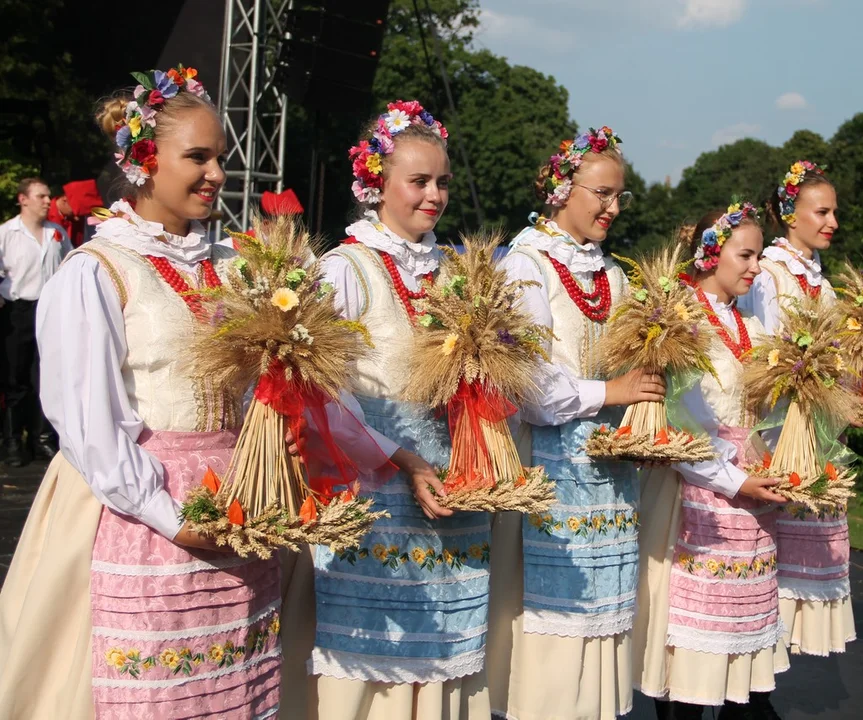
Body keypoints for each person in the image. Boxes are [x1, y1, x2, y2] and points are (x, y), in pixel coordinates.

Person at [0, 65, 395, 719]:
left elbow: (287, 390)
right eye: (198, 157)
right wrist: (168, 515)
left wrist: (376, 452)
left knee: (238, 688)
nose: (215, 173)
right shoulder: (97, 272)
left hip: (238, 507)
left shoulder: (233, 266)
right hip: (139, 512)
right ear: (142, 161)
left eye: (220, 157)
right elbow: (90, 424)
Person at [300, 100, 493, 719]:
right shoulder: (345, 268)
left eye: (442, 181)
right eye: (419, 181)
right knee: (374, 666)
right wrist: (400, 456)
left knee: (442, 658)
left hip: (452, 487)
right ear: (375, 182)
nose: (434, 194)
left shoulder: (462, 272)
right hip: (375, 488)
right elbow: (320, 394)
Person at [486, 127, 664, 720]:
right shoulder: (525, 265)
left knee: (602, 614)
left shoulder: (611, 275)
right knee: (549, 617)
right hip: (545, 467)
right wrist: (611, 391)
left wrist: (640, 412)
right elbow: (528, 384)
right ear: (562, 189)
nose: (613, 208)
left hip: (608, 476)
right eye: (603, 194)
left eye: (620, 197)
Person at [636, 204, 787, 720]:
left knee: (736, 641)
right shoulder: (680, 322)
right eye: (745, 254)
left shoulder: (748, 324)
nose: (755, 267)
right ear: (709, 253)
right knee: (689, 644)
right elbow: (680, 417)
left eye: (759, 256)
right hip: (695, 487)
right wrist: (733, 475)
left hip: (746, 495)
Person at [738, 161, 856, 658]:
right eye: (822, 211)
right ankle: (755, 684)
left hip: (815, 430)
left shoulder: (820, 283)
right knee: (769, 562)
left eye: (833, 212)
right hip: (776, 432)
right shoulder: (768, 275)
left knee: (793, 565)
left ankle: (766, 684)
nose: (832, 222)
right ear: (790, 214)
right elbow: (757, 358)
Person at [0, 177, 72, 466]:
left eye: (48, 195)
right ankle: (13, 441)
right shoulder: (7, 233)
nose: (47, 201)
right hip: (17, 312)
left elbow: (69, 265)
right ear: (23, 199)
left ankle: (43, 438)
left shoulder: (57, 232)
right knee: (15, 379)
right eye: (41, 196)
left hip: (49, 311)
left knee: (46, 376)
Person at [47, 179, 104, 248]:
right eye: (75, 213)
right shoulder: (44, 217)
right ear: (64, 199)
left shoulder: (76, 220)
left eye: (81, 216)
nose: (77, 218)